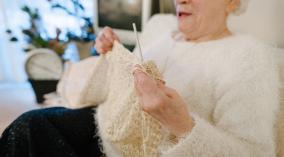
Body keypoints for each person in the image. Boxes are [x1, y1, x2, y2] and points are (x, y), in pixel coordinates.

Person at [0, 0, 280, 156]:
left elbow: (254, 153)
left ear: (231, 1)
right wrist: (108, 57)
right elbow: (109, 92)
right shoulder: (161, 30)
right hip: (106, 128)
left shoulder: (250, 58)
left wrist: (182, 125)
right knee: (27, 127)